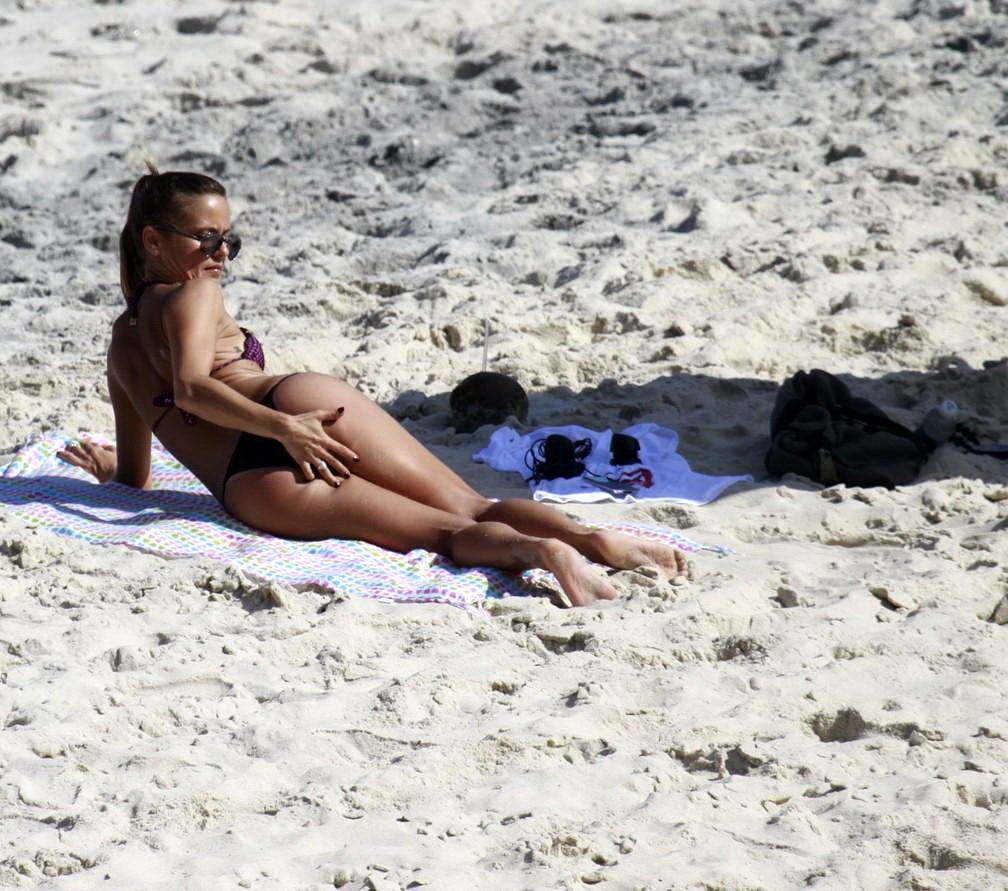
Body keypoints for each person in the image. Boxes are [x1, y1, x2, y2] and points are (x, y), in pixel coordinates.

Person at [57, 166, 687, 607]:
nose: (222, 254)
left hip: (253, 486)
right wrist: (283, 427)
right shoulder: (195, 291)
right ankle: (582, 539)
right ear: (153, 241)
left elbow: (136, 478)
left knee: (443, 534)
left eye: (230, 240)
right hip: (295, 410)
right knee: (468, 507)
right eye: (208, 239)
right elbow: (193, 386)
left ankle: (545, 552)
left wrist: (113, 465)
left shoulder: (120, 346)